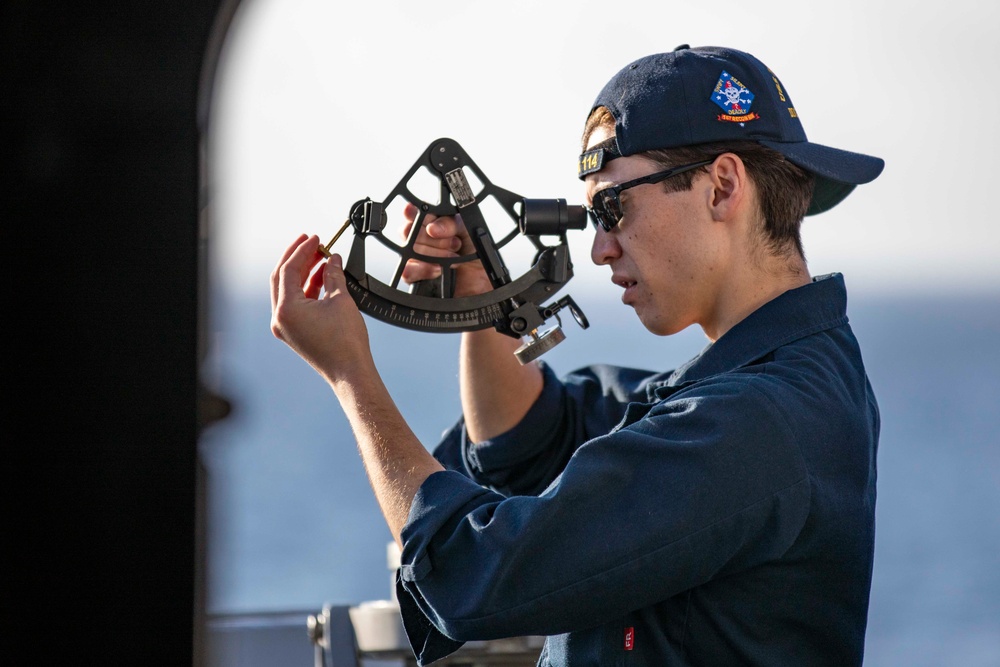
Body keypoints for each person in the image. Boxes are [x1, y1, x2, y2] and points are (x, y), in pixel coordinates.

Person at [271, 44, 883, 666]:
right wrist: (488, 306)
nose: (599, 250)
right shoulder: (772, 391)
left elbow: (472, 573)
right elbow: (524, 443)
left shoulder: (753, 424)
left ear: (722, 187)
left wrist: (350, 375)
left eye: (612, 208)